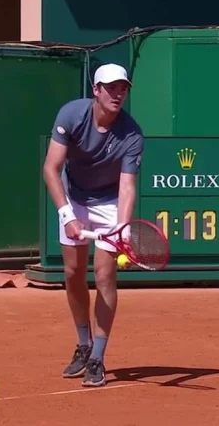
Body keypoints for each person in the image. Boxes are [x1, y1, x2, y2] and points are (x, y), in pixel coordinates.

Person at [42, 63, 144, 388]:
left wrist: (123, 230)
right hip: (74, 197)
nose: (118, 94)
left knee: (103, 274)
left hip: (109, 203)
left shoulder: (132, 134)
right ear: (96, 90)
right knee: (72, 273)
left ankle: (98, 357)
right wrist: (67, 216)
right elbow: (51, 168)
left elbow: (127, 187)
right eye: (111, 87)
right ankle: (83, 344)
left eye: (123, 88)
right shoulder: (71, 115)